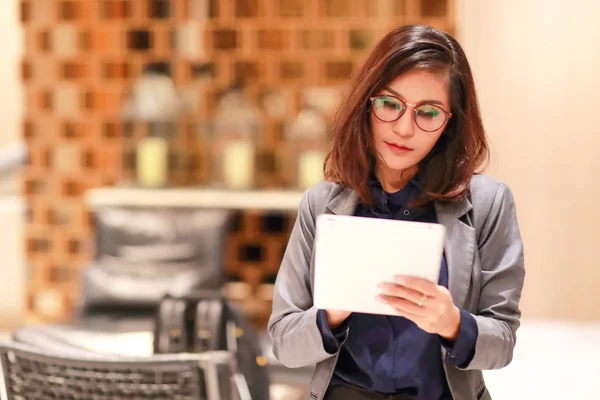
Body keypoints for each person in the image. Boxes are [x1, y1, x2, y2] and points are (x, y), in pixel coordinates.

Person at [268, 24, 526, 400]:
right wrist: (331, 313)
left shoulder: (490, 203)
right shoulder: (321, 204)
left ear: (450, 123)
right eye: (390, 105)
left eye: (428, 113)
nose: (405, 129)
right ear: (366, 105)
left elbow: (503, 344)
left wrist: (453, 323)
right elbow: (284, 342)